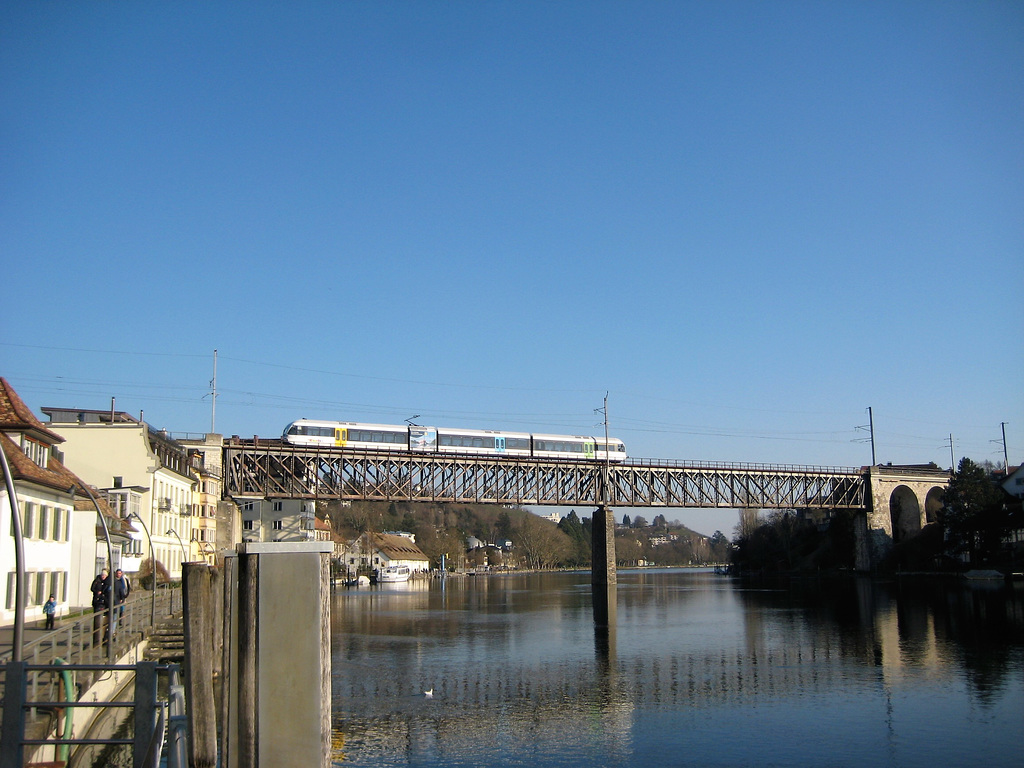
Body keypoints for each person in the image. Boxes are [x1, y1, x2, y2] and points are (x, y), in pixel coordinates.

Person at [90, 568, 110, 645]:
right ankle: (96, 640)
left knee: (105, 620)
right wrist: (97, 592)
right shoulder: (97, 581)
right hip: (97, 600)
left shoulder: (107, 582)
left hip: (104, 602)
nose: (103, 577)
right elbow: (92, 588)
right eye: (102, 575)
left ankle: (103, 637)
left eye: (104, 575)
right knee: (97, 618)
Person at [113, 568, 131, 634]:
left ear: (121, 574)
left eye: (120, 573)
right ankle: (117, 622)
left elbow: (128, 587)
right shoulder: (114, 580)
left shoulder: (124, 580)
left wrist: (126, 595)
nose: (118, 574)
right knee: (116, 610)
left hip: (123, 597)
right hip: (117, 598)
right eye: (117, 573)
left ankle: (120, 620)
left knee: (122, 609)